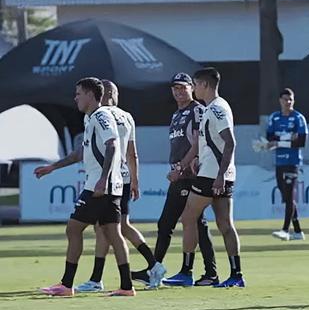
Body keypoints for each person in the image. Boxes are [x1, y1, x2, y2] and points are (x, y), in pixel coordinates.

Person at [35, 77, 134, 297]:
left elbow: (113, 145)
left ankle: (66, 285)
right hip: (109, 186)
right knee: (113, 233)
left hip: (99, 187)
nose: (75, 98)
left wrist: (103, 179)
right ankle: (127, 286)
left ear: (90, 95)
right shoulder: (91, 119)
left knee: (73, 228)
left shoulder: (101, 116)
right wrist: (53, 167)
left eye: (78, 93)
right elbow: (81, 153)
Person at [73, 80, 167, 292]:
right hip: (123, 178)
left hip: (108, 179)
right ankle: (150, 266)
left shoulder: (96, 116)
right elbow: (132, 153)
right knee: (115, 227)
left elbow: (100, 148)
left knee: (108, 229)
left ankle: (101, 279)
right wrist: (135, 180)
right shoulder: (127, 116)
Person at [174, 67, 245, 288]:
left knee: (188, 217)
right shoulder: (212, 108)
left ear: (204, 85)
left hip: (213, 175)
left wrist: (220, 176)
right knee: (224, 224)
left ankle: (186, 272)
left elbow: (230, 142)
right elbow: (209, 143)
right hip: (216, 173)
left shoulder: (217, 109)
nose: (193, 89)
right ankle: (235, 275)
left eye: (195, 84)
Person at [157, 73, 219, 287]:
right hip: (179, 174)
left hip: (190, 176)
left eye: (183, 87)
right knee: (195, 224)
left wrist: (184, 167)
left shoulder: (197, 110)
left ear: (192, 88)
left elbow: (201, 144)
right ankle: (208, 272)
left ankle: (158, 268)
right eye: (175, 88)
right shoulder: (176, 114)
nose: (178, 91)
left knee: (170, 223)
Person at [265, 88, 308, 241]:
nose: (288, 102)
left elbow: (301, 141)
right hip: (279, 162)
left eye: (291, 99)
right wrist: (290, 138)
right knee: (286, 196)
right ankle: (297, 231)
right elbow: (270, 138)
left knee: (289, 195)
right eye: (285, 99)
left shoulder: (298, 118)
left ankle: (285, 230)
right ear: (280, 100)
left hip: (293, 162)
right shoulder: (274, 117)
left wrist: (280, 141)